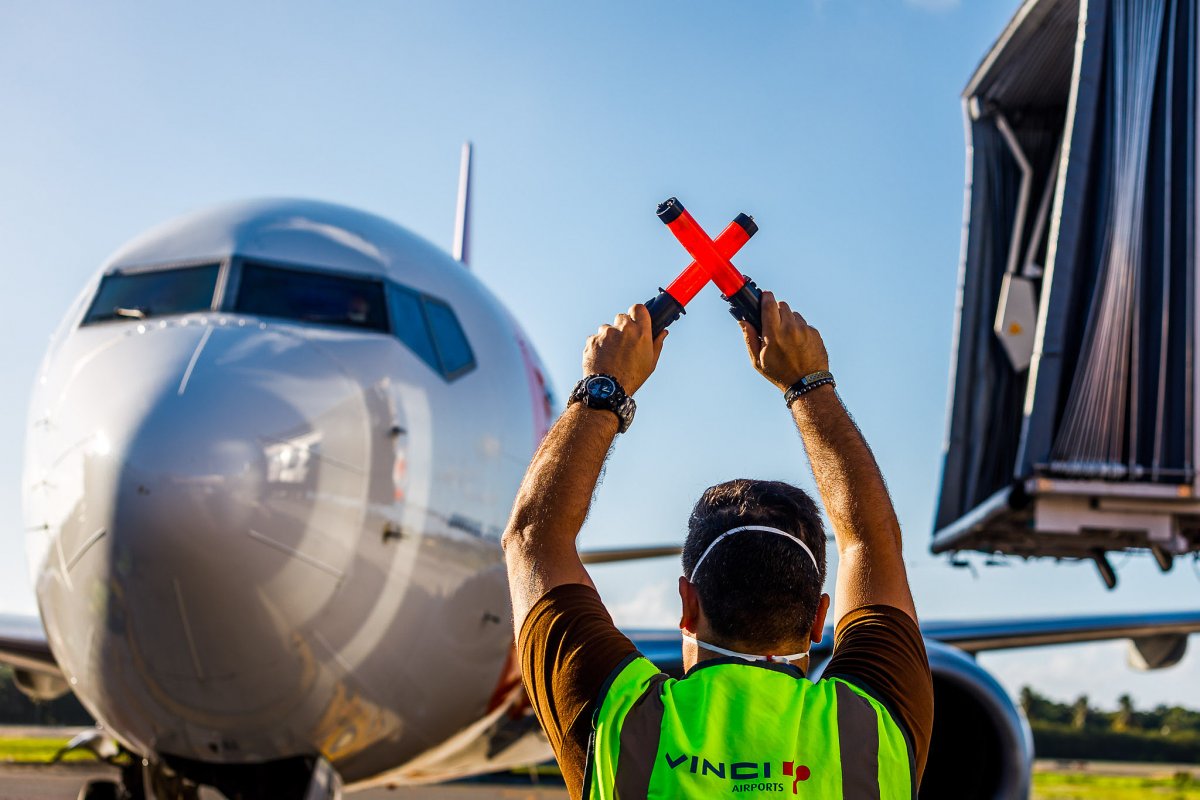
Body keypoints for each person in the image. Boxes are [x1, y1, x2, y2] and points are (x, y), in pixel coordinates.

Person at [502, 293, 934, 799]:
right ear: (820, 620)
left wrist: (605, 387)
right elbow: (872, 541)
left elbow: (533, 538)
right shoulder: (872, 727)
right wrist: (810, 384)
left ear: (688, 605)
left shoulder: (624, 720)